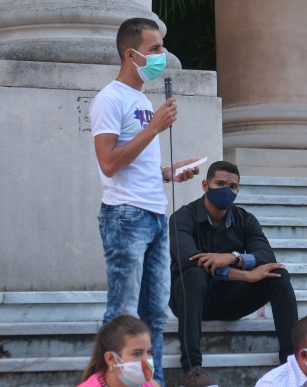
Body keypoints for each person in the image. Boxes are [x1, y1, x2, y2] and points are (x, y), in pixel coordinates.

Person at [90, 17, 200, 385]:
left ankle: (150, 382)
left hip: (154, 214)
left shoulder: (140, 99)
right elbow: (109, 163)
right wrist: (154, 127)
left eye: (161, 48)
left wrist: (168, 173)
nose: (162, 55)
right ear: (130, 53)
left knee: (154, 314)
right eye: (154, 49)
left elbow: (133, 163)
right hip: (125, 216)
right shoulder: (111, 98)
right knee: (122, 313)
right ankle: (108, 380)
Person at [168, 161, 298, 387]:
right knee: (194, 275)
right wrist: (246, 275)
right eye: (220, 184)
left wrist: (233, 257)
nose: (227, 191)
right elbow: (191, 262)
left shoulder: (244, 219)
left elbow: (266, 256)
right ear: (205, 185)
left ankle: (292, 361)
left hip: (230, 300)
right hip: (191, 300)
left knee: (278, 275)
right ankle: (192, 369)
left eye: (233, 186)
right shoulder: (182, 218)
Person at [79, 315, 160, 387]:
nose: (147, 360)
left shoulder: (150, 384)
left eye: (149, 352)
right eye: (137, 353)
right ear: (110, 359)